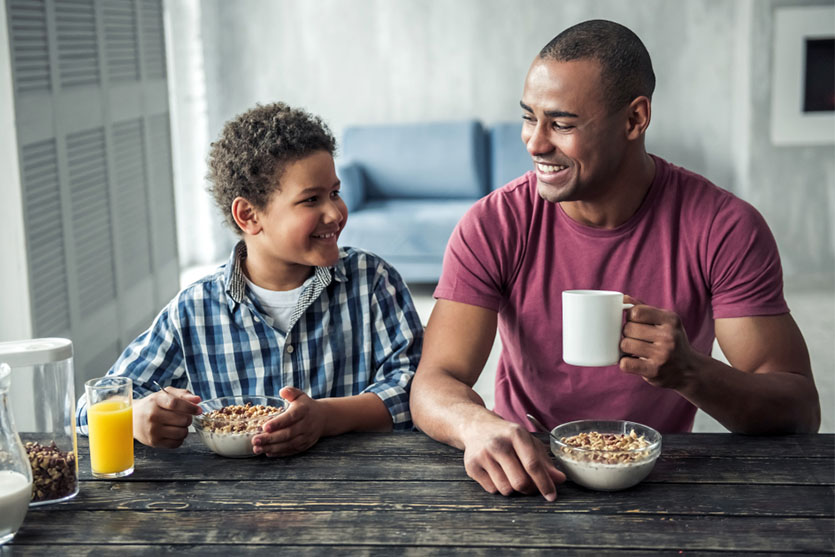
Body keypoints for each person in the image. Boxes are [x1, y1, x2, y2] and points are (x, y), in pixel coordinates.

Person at [410, 19, 820, 501]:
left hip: (661, 479)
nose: (535, 143)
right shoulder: (494, 223)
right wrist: (475, 426)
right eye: (529, 117)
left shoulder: (724, 227)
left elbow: (798, 409)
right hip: (528, 472)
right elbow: (434, 383)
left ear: (634, 119)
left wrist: (689, 371)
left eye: (561, 124)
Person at [76, 102, 423, 456]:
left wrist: (326, 417)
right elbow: (88, 411)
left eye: (335, 193)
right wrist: (136, 416)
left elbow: (417, 391)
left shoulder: (374, 283)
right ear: (248, 215)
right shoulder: (193, 311)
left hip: (360, 490)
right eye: (311, 200)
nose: (335, 212)